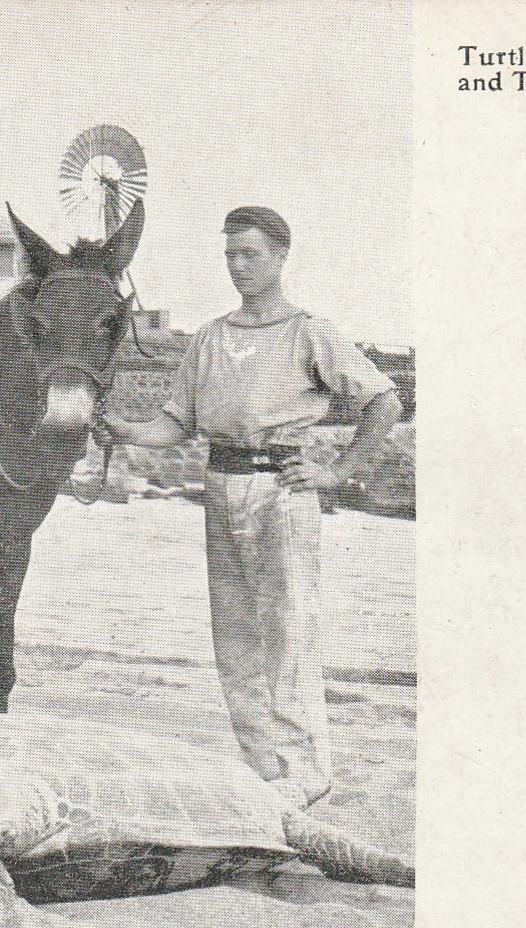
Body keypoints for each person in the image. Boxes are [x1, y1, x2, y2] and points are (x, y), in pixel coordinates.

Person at [101, 205, 404, 808]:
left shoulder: (308, 331)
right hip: (221, 485)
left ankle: (305, 770)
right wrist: (121, 428)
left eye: (251, 254)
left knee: (287, 630)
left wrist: (337, 472)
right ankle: (261, 767)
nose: (239, 266)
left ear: (280, 255)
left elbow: (384, 401)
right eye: (230, 255)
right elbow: (173, 423)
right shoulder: (212, 338)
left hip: (282, 492)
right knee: (234, 635)